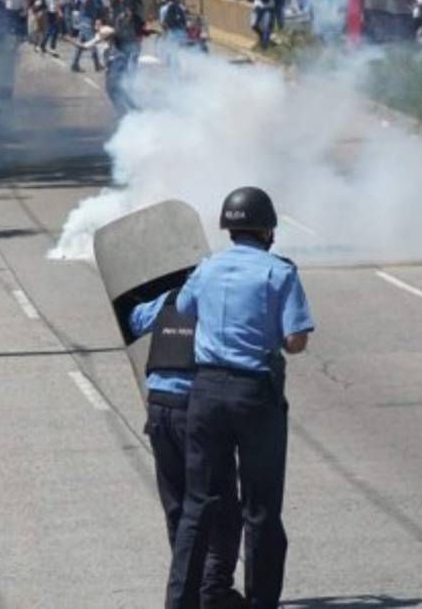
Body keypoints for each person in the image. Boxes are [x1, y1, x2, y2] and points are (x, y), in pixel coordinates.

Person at [165, 186, 314, 609]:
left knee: (199, 504)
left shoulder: (207, 268)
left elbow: (185, 309)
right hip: (254, 396)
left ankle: (180, 602)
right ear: (268, 230)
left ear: (228, 229)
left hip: (207, 393)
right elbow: (296, 340)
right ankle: (261, 601)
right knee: (261, 507)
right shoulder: (279, 272)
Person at [130, 287, 245, 609]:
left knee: (178, 507)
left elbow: (135, 320)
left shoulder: (169, 298)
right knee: (218, 505)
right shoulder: (221, 301)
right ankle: (213, 591)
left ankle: (189, 586)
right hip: (196, 411)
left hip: (158, 410)